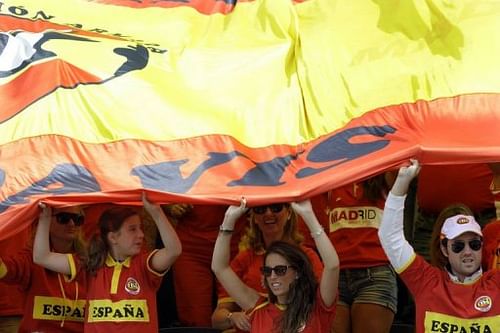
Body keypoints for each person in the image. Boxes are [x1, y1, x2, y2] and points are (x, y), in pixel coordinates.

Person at [378, 160, 500, 333]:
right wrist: (401, 182)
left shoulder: (497, 283)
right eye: (458, 246)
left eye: (474, 244)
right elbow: (389, 237)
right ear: (444, 249)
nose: (468, 252)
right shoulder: (426, 282)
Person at [33, 194, 182, 332]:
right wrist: (45, 219)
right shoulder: (90, 264)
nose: (141, 235)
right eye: (132, 229)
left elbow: (173, 250)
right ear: (113, 237)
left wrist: (156, 212)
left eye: (140, 228)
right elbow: (42, 257)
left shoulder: (144, 265)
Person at [212, 199, 339, 333]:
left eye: (280, 270)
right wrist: (228, 220)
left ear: (298, 272)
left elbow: (332, 265)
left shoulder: (317, 307)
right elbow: (220, 268)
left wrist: (309, 216)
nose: (272, 276)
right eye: (267, 271)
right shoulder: (259, 307)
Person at [304, 175, 397, 333]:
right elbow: (310, 239)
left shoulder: (384, 170)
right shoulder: (325, 176)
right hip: (334, 276)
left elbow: (404, 163)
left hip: (375, 273)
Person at [0, 205, 87, 333]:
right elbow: (9, 270)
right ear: (45, 220)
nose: (72, 223)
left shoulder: (88, 261)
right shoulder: (31, 260)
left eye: (78, 219)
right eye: (63, 218)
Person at [162, 204, 245, 327]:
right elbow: (154, 187)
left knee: (236, 310)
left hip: (235, 242)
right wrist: (170, 206)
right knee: (195, 315)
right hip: (191, 245)